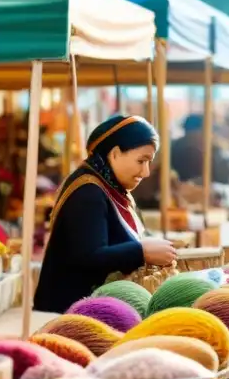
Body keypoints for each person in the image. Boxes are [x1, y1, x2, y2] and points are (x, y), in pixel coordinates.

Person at [34, 115, 176, 313]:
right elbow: (89, 257)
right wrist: (141, 252)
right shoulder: (88, 192)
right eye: (141, 161)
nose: (146, 173)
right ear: (115, 153)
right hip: (70, 315)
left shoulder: (111, 188)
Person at [170, 113, 229, 185]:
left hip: (180, 190)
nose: (212, 134)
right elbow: (224, 176)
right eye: (210, 131)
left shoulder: (175, 146)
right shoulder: (204, 149)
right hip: (202, 191)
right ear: (201, 131)